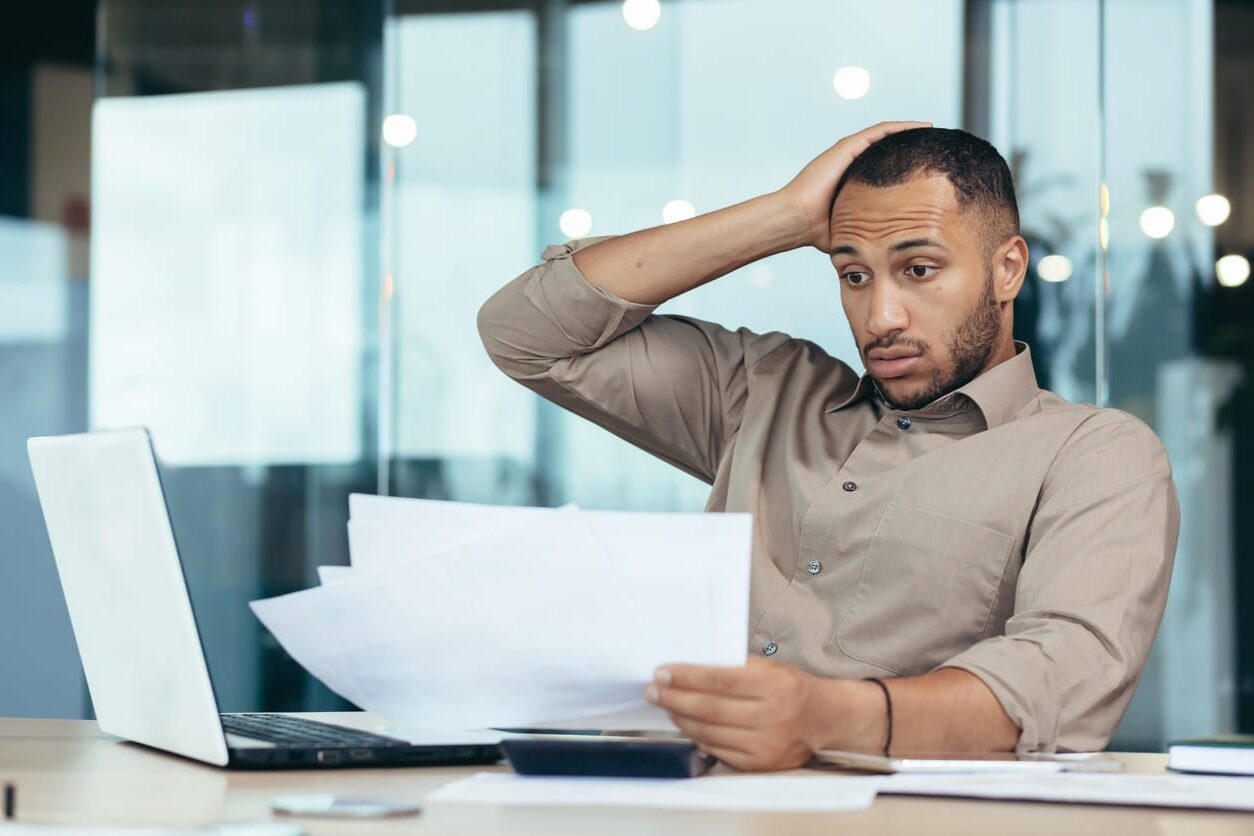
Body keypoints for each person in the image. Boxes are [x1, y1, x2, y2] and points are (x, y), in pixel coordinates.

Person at [477, 122, 1180, 770]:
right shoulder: (762, 389)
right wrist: (783, 215)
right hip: (637, 795)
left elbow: (1063, 680)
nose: (881, 317)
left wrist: (824, 716)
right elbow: (526, 335)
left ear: (1007, 270)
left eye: (919, 270)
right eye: (853, 274)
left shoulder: (1093, 453)